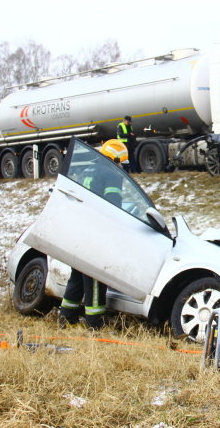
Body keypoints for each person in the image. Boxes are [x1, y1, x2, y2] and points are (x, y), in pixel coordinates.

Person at [59, 139, 128, 329]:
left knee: (77, 276)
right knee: (95, 278)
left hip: (80, 231)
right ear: (115, 158)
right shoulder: (111, 173)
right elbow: (114, 204)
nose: (121, 166)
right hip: (96, 233)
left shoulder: (88, 170)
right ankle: (94, 322)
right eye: (121, 162)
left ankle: (66, 316)